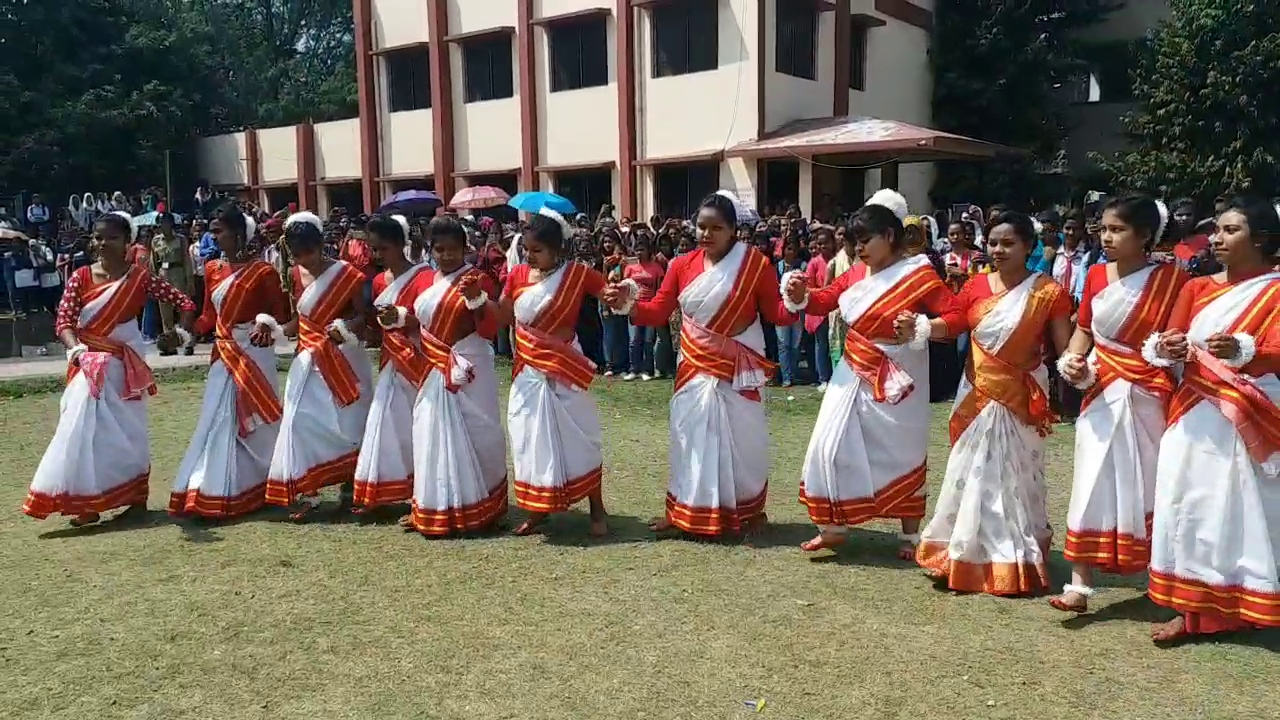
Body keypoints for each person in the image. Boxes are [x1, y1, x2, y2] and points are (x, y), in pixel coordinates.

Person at [605, 191, 796, 538]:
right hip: (694, 366)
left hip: (737, 370)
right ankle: (682, 511)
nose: (706, 234)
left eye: (716, 228)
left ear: (734, 230)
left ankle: (747, 511)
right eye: (701, 227)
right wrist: (628, 305)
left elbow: (775, 314)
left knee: (743, 442)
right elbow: (659, 311)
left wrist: (799, 300)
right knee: (689, 439)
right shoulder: (681, 265)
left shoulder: (756, 265)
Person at [902, 211, 1073, 596]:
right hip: (976, 392)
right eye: (993, 242)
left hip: (1022, 394)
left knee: (1016, 475)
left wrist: (1077, 369)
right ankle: (961, 550)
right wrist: (924, 328)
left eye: (1008, 243)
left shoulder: (1048, 292)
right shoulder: (977, 286)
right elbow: (956, 323)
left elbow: (1064, 351)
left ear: (1029, 246)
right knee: (971, 469)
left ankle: (1013, 559)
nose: (998, 250)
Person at [781, 190, 956, 559]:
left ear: (890, 236)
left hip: (901, 373)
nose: (858, 249)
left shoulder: (919, 273)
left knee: (901, 453)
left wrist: (923, 326)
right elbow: (824, 299)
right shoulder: (856, 273)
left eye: (865, 241)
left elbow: (956, 317)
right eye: (854, 242)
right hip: (852, 368)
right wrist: (800, 293)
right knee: (827, 444)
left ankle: (909, 537)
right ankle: (832, 526)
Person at [1145, 196, 1280, 643]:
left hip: (1251, 409)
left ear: (1260, 238)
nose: (1217, 239)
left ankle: (1247, 598)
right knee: (1188, 499)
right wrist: (1168, 348)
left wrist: (1246, 352)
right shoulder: (1196, 287)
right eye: (1216, 230)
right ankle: (1192, 610)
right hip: (1195, 409)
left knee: (1242, 504)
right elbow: (1172, 339)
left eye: (1230, 230)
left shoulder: (1276, 289)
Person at [1048, 197, 1189, 613]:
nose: (1106, 237)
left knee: (1147, 483)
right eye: (1104, 229)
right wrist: (1070, 361)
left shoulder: (1172, 281)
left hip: (1148, 394)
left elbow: (1175, 340)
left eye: (1117, 229)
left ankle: (1160, 574)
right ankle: (1079, 583)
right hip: (1100, 391)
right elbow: (1084, 331)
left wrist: (1165, 349)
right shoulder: (1095, 275)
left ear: (1144, 236)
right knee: (1090, 479)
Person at [23, 211, 195, 526]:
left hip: (124, 365)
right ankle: (86, 504)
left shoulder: (140, 278)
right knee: (80, 427)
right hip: (88, 363)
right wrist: (75, 348)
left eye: (111, 237)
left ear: (127, 242)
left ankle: (134, 499)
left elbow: (184, 303)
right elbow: (64, 321)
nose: (103, 243)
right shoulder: (81, 277)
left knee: (128, 433)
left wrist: (178, 334)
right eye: (98, 237)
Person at [170, 206, 290, 519]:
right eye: (212, 230)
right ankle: (216, 490)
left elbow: (282, 315)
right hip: (223, 355)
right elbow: (209, 316)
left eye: (219, 230)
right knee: (219, 419)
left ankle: (268, 480)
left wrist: (266, 323)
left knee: (259, 420)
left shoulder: (263, 272)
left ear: (238, 234)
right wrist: (184, 334)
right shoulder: (212, 269)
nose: (213, 236)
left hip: (254, 353)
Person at [501, 207, 610, 537]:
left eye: (538, 250)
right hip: (528, 372)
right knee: (528, 438)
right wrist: (477, 301)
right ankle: (538, 509)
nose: (530, 256)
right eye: (526, 250)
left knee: (581, 437)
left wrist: (623, 294)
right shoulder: (518, 275)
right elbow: (503, 314)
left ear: (558, 249)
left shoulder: (577, 274)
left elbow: (608, 292)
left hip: (565, 367)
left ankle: (597, 509)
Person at [262, 212, 374, 520]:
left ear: (321, 245)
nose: (305, 260)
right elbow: (301, 318)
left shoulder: (347, 274)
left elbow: (364, 317)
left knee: (349, 422)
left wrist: (345, 328)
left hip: (343, 358)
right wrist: (277, 330)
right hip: (308, 358)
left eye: (309, 253)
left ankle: (350, 489)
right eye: (298, 255)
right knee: (299, 421)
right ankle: (305, 490)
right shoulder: (295, 274)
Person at [405, 215, 507, 536]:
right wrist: (396, 318)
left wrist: (476, 298)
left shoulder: (478, 278)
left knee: (478, 434)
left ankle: (482, 507)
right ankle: (433, 505)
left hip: (468, 368)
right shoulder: (424, 280)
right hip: (432, 368)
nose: (447, 256)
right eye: (440, 249)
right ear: (431, 250)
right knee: (429, 434)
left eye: (453, 249)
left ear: (466, 248)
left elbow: (490, 327)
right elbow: (417, 324)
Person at [351, 214, 429, 513]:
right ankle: (380, 491)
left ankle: (421, 493)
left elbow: (431, 321)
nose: (378, 255)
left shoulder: (423, 278)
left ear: (400, 245)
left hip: (417, 359)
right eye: (373, 249)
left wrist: (402, 319)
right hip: (390, 360)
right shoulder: (379, 280)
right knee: (385, 424)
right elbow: (373, 326)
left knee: (415, 426)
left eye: (383, 248)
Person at [150, 213, 196, 356]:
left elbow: (187, 260)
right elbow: (153, 262)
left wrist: (189, 281)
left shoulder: (181, 240)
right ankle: (169, 345)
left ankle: (188, 342)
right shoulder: (156, 241)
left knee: (183, 310)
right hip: (163, 274)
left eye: (164, 223)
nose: (162, 226)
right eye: (160, 224)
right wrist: (153, 282)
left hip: (178, 273)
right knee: (166, 313)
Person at [622, 235, 665, 381]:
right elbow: (625, 287)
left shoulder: (656, 268)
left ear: (649, 251)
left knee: (648, 340)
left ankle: (647, 370)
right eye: (637, 250)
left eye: (643, 250)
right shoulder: (630, 268)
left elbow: (660, 288)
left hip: (650, 306)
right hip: (634, 307)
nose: (640, 253)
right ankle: (634, 369)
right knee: (634, 340)